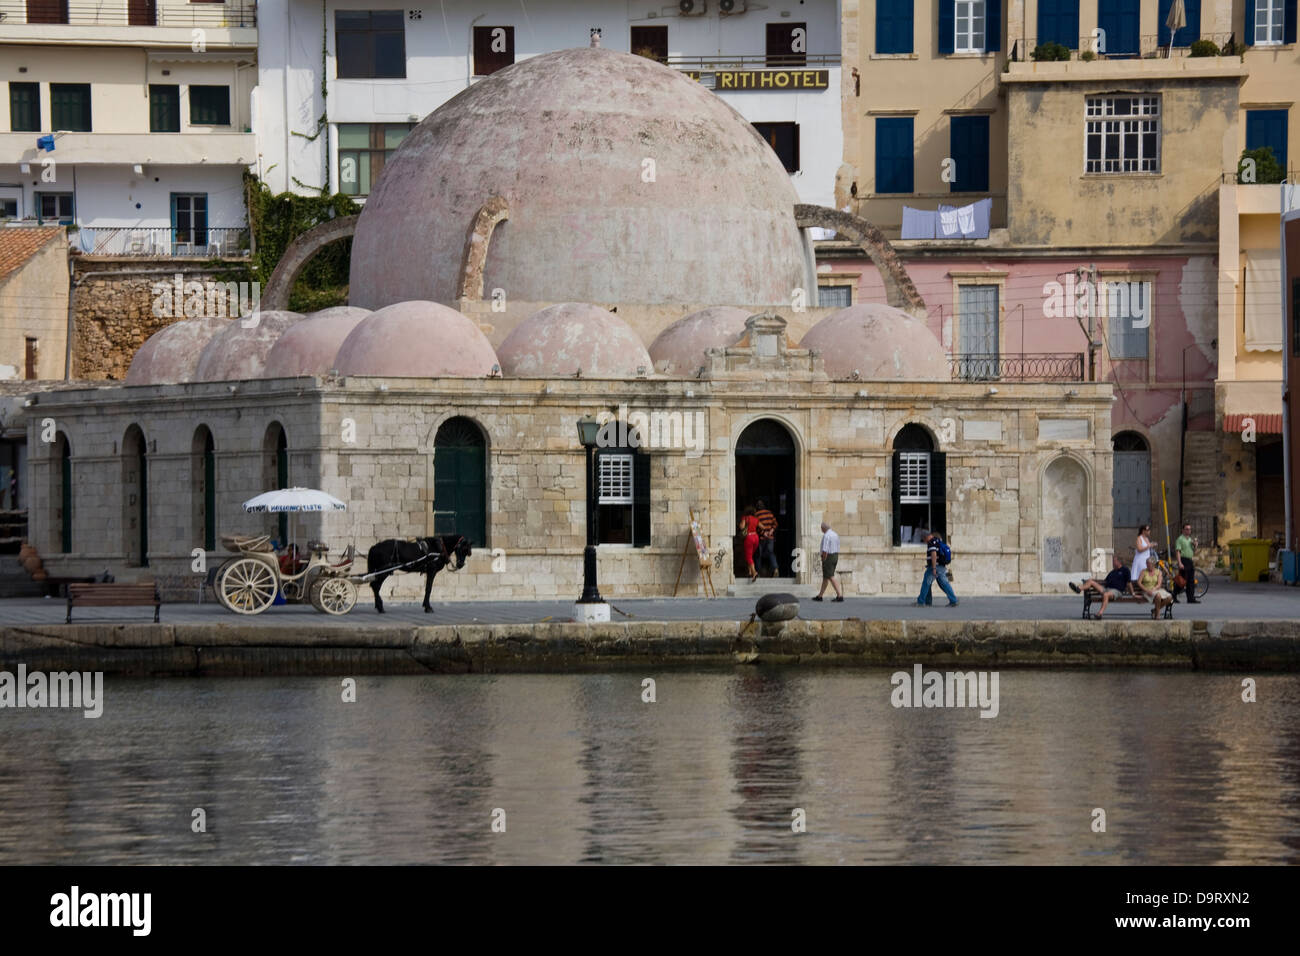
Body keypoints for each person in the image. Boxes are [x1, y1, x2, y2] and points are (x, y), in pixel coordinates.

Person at [916, 530, 958, 607]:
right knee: (944, 584)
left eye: (923, 539)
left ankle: (921, 602)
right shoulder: (937, 541)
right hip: (941, 566)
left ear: (926, 537)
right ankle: (953, 600)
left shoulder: (931, 542)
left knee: (926, 583)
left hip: (935, 567)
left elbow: (934, 554)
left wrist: (934, 567)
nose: (924, 541)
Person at [812, 520, 843, 602]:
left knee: (830, 576)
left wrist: (823, 558)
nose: (821, 529)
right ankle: (820, 596)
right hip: (835, 555)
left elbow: (825, 549)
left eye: (821, 528)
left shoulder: (826, 536)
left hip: (828, 556)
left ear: (823, 528)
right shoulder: (835, 534)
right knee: (826, 577)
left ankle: (840, 595)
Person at [1173, 522, 1200, 604]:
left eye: (1190, 529)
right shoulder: (1180, 539)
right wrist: (1180, 562)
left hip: (1189, 560)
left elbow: (1194, 551)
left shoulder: (1190, 540)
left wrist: (1195, 545)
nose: (1188, 531)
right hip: (1183, 560)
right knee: (1182, 580)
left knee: (1191, 580)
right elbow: (1178, 551)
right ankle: (1174, 594)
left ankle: (1190, 598)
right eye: (1187, 529)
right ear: (1183, 530)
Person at [755, 499, 779, 578]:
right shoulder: (769, 513)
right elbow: (775, 524)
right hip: (770, 537)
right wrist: (771, 531)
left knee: (758, 555)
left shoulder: (756, 515)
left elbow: (757, 527)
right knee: (771, 553)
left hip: (762, 538)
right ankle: (775, 568)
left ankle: (758, 572)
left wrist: (763, 533)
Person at [738, 505, 760, 583]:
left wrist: (740, 524)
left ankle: (754, 572)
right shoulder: (756, 519)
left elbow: (742, 527)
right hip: (756, 537)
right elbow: (762, 526)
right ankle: (750, 572)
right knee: (750, 555)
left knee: (748, 556)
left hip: (749, 537)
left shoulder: (745, 518)